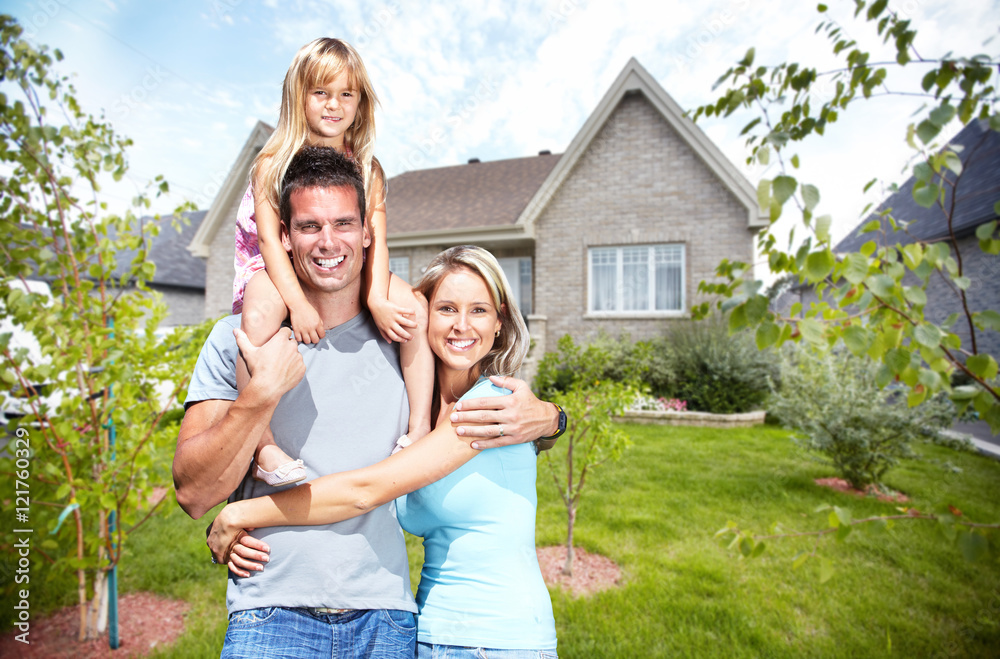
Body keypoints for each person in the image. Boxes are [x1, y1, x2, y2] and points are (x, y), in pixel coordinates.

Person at [172, 146, 563, 657]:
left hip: (387, 620)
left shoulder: (405, 345)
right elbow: (194, 494)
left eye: (344, 224)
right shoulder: (241, 340)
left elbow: (383, 475)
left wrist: (551, 418)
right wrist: (261, 394)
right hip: (271, 612)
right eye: (309, 226)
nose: (328, 241)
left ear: (367, 233)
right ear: (284, 237)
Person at [233, 37, 433, 486]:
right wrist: (297, 305)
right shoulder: (273, 162)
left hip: (348, 266)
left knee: (414, 309)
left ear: (361, 103)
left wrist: (379, 299)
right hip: (277, 266)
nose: (334, 105)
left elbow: (376, 240)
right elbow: (268, 241)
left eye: (347, 94)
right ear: (298, 96)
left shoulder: (367, 166)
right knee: (260, 313)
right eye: (321, 92)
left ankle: (419, 424)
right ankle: (264, 445)